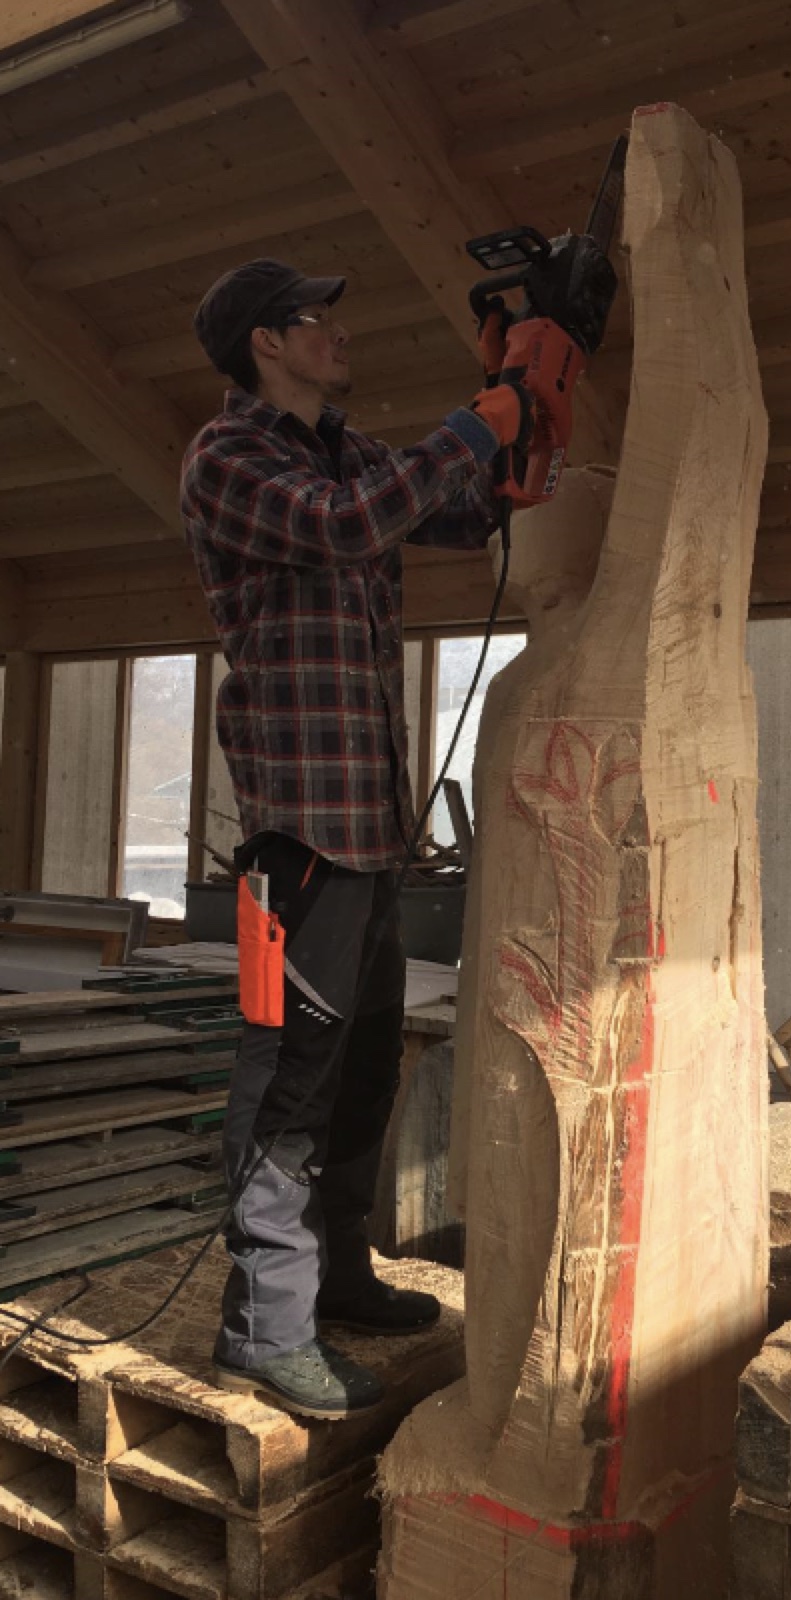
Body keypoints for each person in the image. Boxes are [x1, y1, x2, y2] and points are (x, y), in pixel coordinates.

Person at [180, 257, 525, 1419]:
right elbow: (343, 529)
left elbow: (459, 511)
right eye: (315, 322)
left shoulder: (355, 453)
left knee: (366, 1068)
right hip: (299, 837)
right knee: (290, 1078)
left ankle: (334, 1278)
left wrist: (519, 439)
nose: (336, 335)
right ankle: (263, 1326)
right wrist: (476, 422)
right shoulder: (232, 460)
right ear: (265, 344)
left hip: (373, 830)